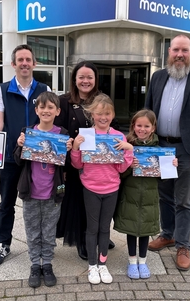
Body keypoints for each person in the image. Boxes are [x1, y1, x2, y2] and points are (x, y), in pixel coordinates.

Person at [145, 34, 190, 271]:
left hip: (187, 149)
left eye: (184, 50)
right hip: (161, 147)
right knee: (164, 195)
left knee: (184, 199)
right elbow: (147, 112)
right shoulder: (158, 76)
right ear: (169, 51)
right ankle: (168, 234)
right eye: (176, 50)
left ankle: (183, 245)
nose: (179, 54)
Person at [0, 44, 50, 267]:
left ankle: (42, 246)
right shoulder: (1, 90)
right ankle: (3, 244)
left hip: (37, 159)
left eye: (28, 59)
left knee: (40, 205)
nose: (24, 63)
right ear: (13, 64)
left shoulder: (44, 89)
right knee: (6, 203)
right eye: (20, 60)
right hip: (11, 158)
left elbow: (48, 120)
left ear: (34, 63)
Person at [54, 60, 115, 261]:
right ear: (75, 79)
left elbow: (110, 123)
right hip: (74, 162)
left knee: (98, 202)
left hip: (99, 164)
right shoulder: (63, 101)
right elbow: (59, 133)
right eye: (81, 77)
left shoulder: (102, 99)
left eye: (90, 77)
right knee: (79, 202)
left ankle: (100, 235)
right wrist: (62, 163)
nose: (85, 80)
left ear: (95, 79)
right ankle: (82, 239)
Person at [70, 94, 134, 284]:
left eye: (107, 113)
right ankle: (92, 265)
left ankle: (102, 264)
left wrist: (128, 150)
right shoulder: (86, 136)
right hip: (90, 188)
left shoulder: (118, 137)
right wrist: (75, 147)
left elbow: (122, 168)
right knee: (92, 228)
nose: (103, 117)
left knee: (105, 228)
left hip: (112, 188)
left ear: (113, 114)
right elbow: (77, 164)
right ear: (92, 115)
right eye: (99, 114)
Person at [13, 91, 73, 288]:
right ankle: (34, 264)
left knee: (48, 231)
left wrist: (70, 150)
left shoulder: (63, 134)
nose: (46, 110)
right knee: (32, 230)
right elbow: (17, 161)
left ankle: (46, 264)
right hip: (30, 193)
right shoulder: (28, 131)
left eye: (50, 107)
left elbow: (69, 165)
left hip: (52, 193)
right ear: (36, 110)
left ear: (57, 111)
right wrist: (20, 146)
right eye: (42, 107)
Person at [113, 109, 178, 279]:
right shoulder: (126, 144)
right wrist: (129, 166)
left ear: (153, 128)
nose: (142, 129)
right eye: (139, 125)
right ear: (133, 126)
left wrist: (170, 166)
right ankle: (132, 261)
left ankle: (143, 261)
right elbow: (118, 173)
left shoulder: (160, 149)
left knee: (145, 231)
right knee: (131, 230)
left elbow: (164, 179)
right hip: (130, 196)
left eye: (146, 126)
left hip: (149, 198)